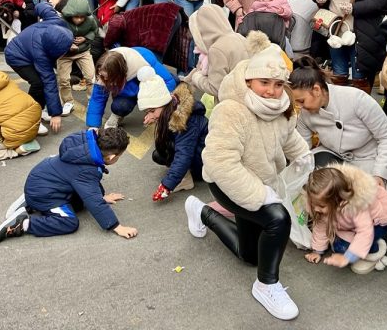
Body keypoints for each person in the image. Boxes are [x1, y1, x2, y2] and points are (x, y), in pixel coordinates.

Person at [184, 43, 310, 320]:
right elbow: (220, 163)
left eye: (278, 84)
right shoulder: (231, 110)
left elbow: (289, 137)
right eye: (264, 82)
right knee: (277, 219)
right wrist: (260, 195)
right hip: (227, 183)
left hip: (262, 180)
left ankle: (201, 211)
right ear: (249, 79)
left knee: (250, 256)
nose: (271, 91)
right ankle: (266, 286)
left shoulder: (282, 106)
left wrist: (303, 158)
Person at [289, 56, 387, 217]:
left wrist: (380, 173)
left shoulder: (356, 99)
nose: (299, 106)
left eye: (301, 101)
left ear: (317, 90)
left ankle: (358, 218)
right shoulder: (305, 114)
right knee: (319, 175)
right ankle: (345, 220)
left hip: (368, 158)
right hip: (332, 157)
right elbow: (303, 152)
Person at [0, 128, 137, 243]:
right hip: (44, 193)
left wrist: (102, 196)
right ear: (112, 157)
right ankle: (22, 224)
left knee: (80, 204)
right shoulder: (86, 170)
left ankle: (29, 201)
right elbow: (93, 200)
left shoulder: (85, 145)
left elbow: (90, 186)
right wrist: (117, 227)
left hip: (42, 180)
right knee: (69, 222)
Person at [303, 164, 387, 274]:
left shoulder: (356, 206)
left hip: (375, 223)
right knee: (339, 247)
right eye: (313, 204)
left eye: (321, 206)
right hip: (350, 225)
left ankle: (376, 252)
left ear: (337, 200)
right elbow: (320, 225)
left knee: (346, 248)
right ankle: (360, 248)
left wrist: (347, 257)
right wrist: (317, 251)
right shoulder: (324, 204)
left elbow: (365, 232)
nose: (316, 208)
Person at [4, 0, 74, 134]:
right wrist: (56, 114)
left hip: (28, 46)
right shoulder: (40, 53)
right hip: (16, 56)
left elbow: (42, 6)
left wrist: (36, 11)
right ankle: (30, 117)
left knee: (42, 82)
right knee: (39, 83)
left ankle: (39, 110)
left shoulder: (56, 21)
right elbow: (49, 80)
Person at [137, 70, 207, 201]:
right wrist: (156, 119)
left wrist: (167, 185)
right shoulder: (172, 106)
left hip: (204, 162)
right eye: (147, 112)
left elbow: (184, 154)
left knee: (173, 153)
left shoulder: (185, 120)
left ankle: (186, 178)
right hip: (196, 151)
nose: (150, 115)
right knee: (159, 154)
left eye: (152, 111)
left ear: (163, 103)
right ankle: (183, 173)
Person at [86, 47, 176, 130]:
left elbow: (169, 82)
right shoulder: (104, 70)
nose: (105, 79)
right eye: (102, 75)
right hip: (127, 92)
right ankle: (117, 115)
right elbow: (97, 99)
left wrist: (154, 108)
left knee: (176, 84)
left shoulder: (144, 59)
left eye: (109, 77)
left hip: (147, 89)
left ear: (120, 72)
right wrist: (93, 126)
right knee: (120, 106)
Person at [185, 4, 250, 99]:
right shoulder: (238, 37)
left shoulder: (216, 49)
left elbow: (216, 88)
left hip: (231, 101)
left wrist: (196, 77)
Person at [57, 0, 98, 114]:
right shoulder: (61, 21)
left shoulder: (90, 20)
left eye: (82, 17)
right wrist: (68, 44)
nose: (79, 19)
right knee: (63, 80)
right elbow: (55, 36)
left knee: (91, 77)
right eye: (76, 16)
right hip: (64, 54)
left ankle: (92, 101)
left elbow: (94, 30)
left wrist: (86, 38)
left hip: (83, 52)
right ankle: (68, 102)